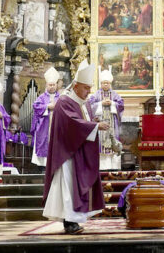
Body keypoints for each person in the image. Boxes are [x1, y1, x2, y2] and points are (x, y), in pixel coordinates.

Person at [42, 59, 110, 234]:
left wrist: (92, 122)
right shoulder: (64, 101)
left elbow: (81, 121)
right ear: (77, 85)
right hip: (67, 154)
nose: (89, 92)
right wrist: (94, 126)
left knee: (74, 188)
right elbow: (72, 124)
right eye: (86, 88)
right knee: (68, 188)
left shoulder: (83, 102)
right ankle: (69, 221)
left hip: (78, 151)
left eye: (89, 88)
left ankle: (74, 220)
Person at [87, 70, 125, 171]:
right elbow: (89, 106)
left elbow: (121, 105)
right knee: (101, 144)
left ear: (110, 83)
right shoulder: (96, 95)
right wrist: (100, 104)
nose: (105, 85)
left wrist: (112, 103)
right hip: (101, 123)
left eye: (107, 83)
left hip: (112, 124)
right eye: (104, 83)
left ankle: (114, 167)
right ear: (100, 84)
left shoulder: (115, 94)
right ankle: (102, 167)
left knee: (113, 142)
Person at [31, 68, 62, 169]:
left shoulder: (61, 98)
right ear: (46, 85)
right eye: (50, 84)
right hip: (43, 127)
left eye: (54, 84)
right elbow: (35, 106)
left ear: (57, 85)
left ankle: (54, 168)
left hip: (57, 127)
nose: (52, 87)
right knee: (43, 147)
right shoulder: (41, 97)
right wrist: (48, 107)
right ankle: (43, 168)